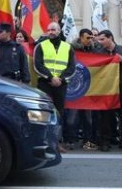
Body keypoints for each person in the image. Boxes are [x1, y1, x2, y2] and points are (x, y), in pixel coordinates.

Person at [34, 22, 75, 153]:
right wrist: (50, 78)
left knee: (58, 114)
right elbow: (37, 65)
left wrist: (60, 79)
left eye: (53, 30)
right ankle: (41, 142)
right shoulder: (40, 46)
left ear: (59, 31)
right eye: (49, 30)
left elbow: (71, 67)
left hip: (61, 84)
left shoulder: (68, 47)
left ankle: (57, 143)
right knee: (43, 113)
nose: (51, 32)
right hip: (45, 83)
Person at [94, 30, 122, 152]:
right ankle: (105, 141)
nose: (100, 42)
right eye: (99, 40)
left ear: (110, 38)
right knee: (105, 116)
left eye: (102, 39)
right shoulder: (98, 53)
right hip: (106, 88)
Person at [65, 28, 97, 151]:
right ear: (80, 37)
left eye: (91, 38)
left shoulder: (94, 50)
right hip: (74, 88)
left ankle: (87, 141)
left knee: (88, 117)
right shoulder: (71, 49)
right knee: (72, 116)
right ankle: (70, 140)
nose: (90, 40)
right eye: (87, 38)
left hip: (88, 87)